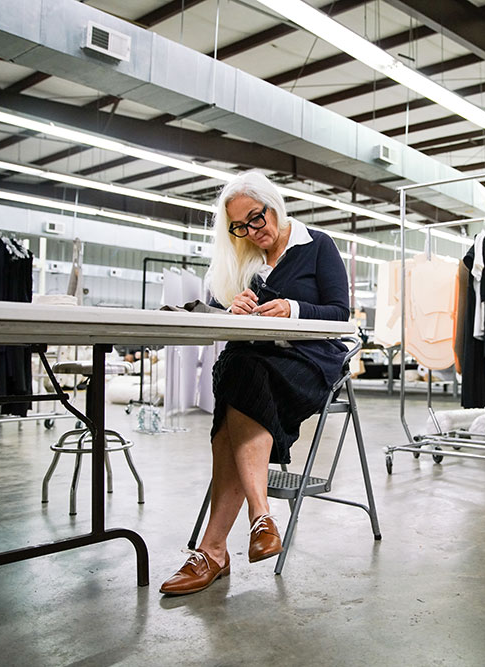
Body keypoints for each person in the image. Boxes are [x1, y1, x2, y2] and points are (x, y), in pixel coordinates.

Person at [161, 171, 350, 595]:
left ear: (274, 204)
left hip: (310, 360)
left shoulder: (317, 245)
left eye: (256, 219)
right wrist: (234, 308)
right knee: (240, 367)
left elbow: (341, 313)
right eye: (239, 227)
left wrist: (294, 308)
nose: (250, 232)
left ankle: (214, 549)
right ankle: (258, 520)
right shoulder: (242, 259)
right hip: (255, 363)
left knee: (237, 384)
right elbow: (215, 314)